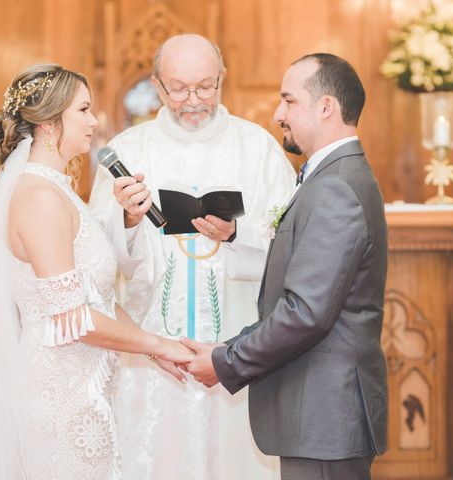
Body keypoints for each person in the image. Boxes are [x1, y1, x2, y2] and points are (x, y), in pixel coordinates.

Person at [0, 63, 193, 480]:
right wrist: (159, 345)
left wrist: (156, 348)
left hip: (83, 395)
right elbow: (72, 319)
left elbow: (98, 301)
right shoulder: (39, 197)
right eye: (83, 110)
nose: (94, 121)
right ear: (47, 123)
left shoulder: (58, 190)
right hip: (57, 401)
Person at [90, 34, 296, 479]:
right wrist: (127, 220)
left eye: (206, 86)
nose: (193, 100)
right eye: (179, 88)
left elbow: (291, 245)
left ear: (222, 79)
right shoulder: (129, 149)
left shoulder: (256, 147)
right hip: (152, 346)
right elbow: (98, 261)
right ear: (157, 86)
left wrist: (236, 234)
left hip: (236, 341)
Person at [183, 53, 389, 480]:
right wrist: (225, 349)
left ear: (326, 107)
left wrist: (226, 362)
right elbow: (294, 302)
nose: (278, 114)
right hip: (319, 416)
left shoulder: (335, 186)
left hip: (325, 416)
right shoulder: (330, 176)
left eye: (289, 101)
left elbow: (306, 312)